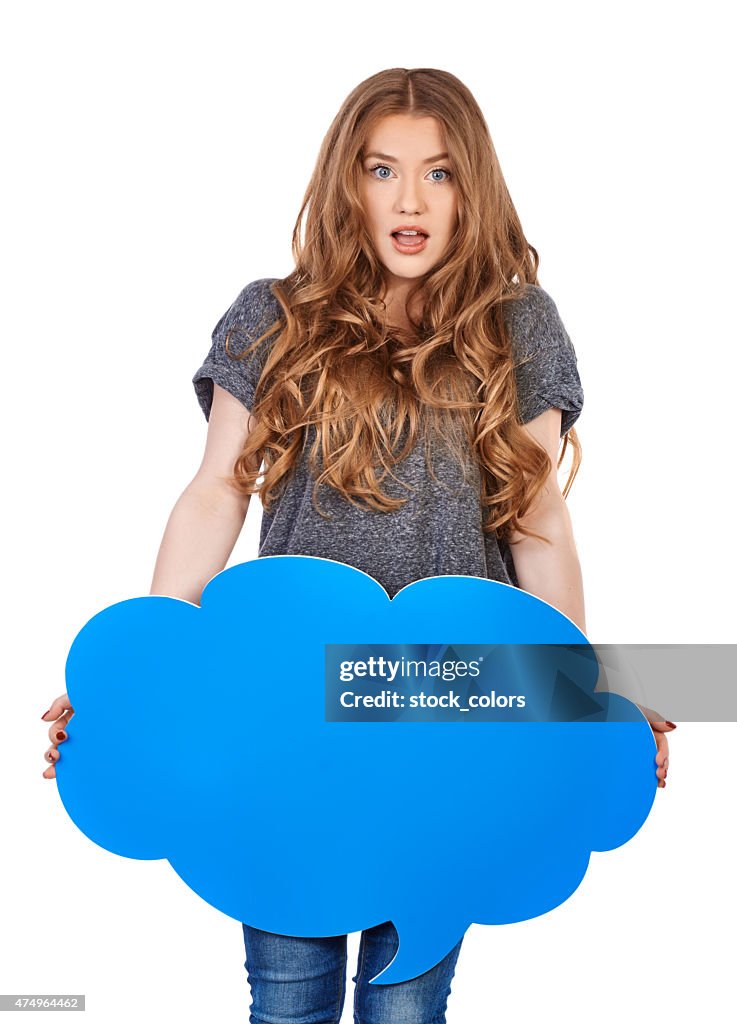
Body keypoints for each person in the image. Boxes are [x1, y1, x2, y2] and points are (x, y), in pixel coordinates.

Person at [40, 67, 674, 1023]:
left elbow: (537, 526)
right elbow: (217, 489)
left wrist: (574, 701)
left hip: (450, 712)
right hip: (286, 707)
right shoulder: (273, 315)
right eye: (382, 170)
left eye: (440, 173)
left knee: (406, 1009)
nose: (409, 201)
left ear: (474, 189)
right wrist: (147, 661)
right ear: (348, 181)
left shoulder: (519, 327)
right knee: (287, 1001)